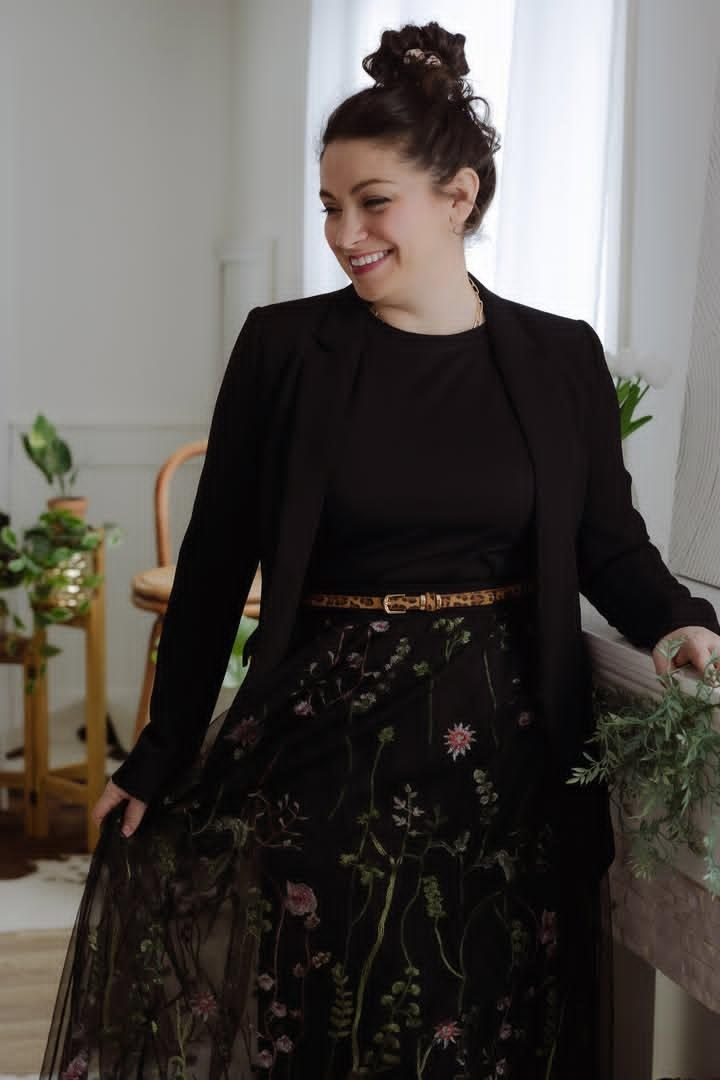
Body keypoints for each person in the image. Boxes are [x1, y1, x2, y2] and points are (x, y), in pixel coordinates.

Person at [40, 20, 720, 1080]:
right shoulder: (284, 348)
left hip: (507, 766)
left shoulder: (558, 356)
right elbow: (216, 566)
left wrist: (681, 620)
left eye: (372, 202)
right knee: (328, 1016)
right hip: (326, 751)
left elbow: (606, 542)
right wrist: (163, 751)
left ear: (460, 196)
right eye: (329, 206)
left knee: (486, 1026)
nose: (344, 231)